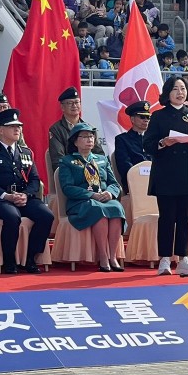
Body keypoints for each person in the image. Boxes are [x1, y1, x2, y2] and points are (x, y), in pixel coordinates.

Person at [0, 108, 53, 274]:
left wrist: (26, 195)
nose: (17, 129)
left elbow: (34, 180)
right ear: (1, 130)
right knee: (12, 216)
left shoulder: (25, 152)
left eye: (19, 126)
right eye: (12, 126)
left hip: (23, 197)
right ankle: (9, 260)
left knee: (46, 215)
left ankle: (30, 258)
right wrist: (6, 196)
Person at [143, 76, 188, 276]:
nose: (180, 92)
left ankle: (184, 258)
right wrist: (163, 143)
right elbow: (148, 144)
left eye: (183, 88)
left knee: (184, 217)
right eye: (176, 89)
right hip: (166, 173)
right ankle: (165, 259)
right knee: (167, 217)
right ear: (168, 93)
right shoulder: (159, 116)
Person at [58, 123, 126, 272]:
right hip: (82, 202)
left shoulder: (102, 159)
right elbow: (67, 188)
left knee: (116, 207)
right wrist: (91, 195)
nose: (89, 139)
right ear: (75, 142)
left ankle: (112, 256)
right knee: (97, 209)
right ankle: (102, 256)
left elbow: (114, 183)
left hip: (104, 198)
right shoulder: (67, 161)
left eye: (91, 136)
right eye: (84, 136)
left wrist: (110, 192)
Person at [48, 87, 103, 170]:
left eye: (77, 102)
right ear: (62, 107)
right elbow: (58, 160)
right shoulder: (56, 130)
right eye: (70, 103)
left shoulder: (89, 128)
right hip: (70, 173)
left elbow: (99, 154)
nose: (74, 106)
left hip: (93, 172)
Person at [114, 100, 152, 189]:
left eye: (148, 117)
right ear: (132, 119)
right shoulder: (122, 139)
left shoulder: (153, 139)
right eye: (142, 117)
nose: (146, 120)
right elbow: (125, 166)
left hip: (154, 181)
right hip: (134, 183)